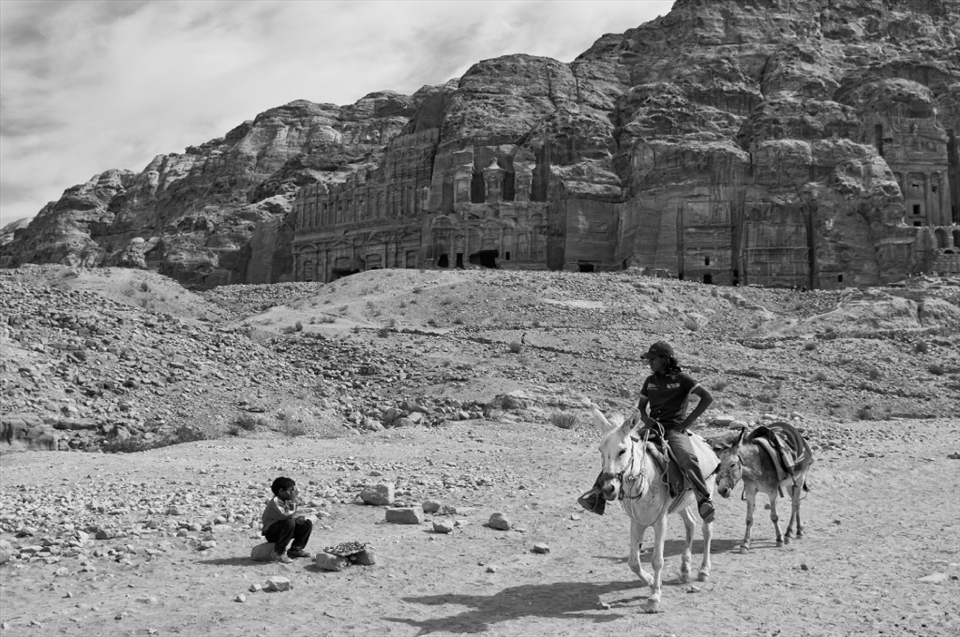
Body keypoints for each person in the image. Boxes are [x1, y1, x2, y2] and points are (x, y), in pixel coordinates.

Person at [635, 341, 716, 523]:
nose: (649, 363)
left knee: (687, 457)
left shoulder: (682, 379)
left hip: (674, 429)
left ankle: (703, 499)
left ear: (665, 359)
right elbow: (641, 408)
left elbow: (707, 397)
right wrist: (647, 421)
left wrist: (688, 422)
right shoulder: (650, 382)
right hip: (653, 428)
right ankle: (598, 494)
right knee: (620, 447)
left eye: (653, 359)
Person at [261, 476, 312, 563]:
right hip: (271, 532)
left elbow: (290, 514)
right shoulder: (275, 502)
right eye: (290, 490)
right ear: (281, 491)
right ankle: (278, 552)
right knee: (289, 522)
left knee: (306, 523)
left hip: (283, 528)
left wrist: (297, 519)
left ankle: (296, 549)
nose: (292, 492)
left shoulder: (285, 500)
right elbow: (286, 516)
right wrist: (293, 499)